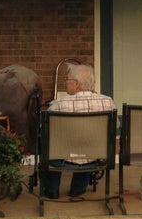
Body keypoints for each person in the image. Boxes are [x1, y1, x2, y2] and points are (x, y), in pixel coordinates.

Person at [40, 63, 116, 199]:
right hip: (95, 158)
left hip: (63, 158)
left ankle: (52, 190)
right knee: (87, 143)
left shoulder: (58, 105)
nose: (66, 84)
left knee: (46, 142)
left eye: (68, 80)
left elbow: (46, 130)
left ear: (76, 83)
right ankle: (78, 189)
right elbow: (115, 126)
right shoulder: (108, 103)